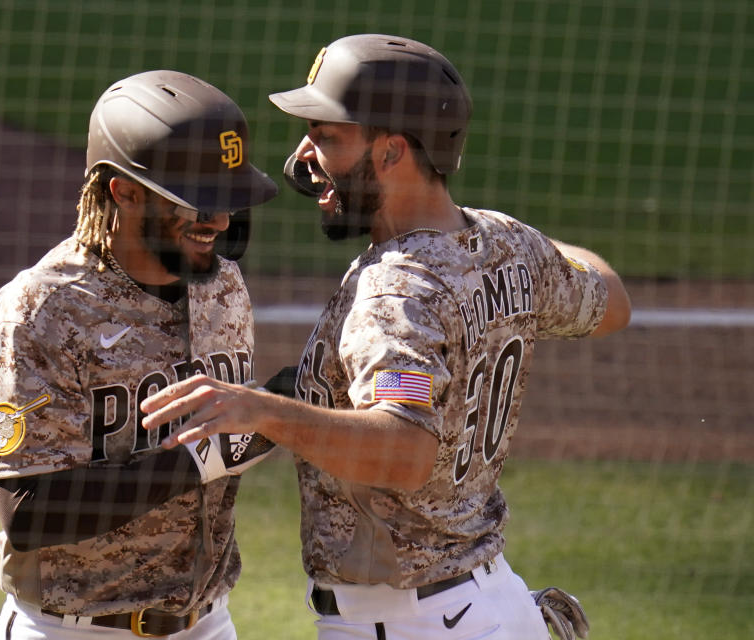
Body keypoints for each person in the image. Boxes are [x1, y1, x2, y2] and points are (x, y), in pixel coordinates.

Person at [139, 34, 631, 640]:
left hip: (409, 623)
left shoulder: (395, 292)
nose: (302, 157)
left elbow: (404, 450)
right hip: (489, 603)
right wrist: (522, 254)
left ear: (393, 151)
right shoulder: (505, 245)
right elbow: (611, 299)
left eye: (327, 136)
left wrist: (261, 411)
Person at [0, 69, 277, 639]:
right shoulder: (43, 310)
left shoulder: (224, 286)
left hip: (208, 622)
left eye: (226, 200)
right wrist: (210, 454)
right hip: (77, 628)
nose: (218, 221)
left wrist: (274, 412)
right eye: (196, 201)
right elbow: (27, 509)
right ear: (124, 190)